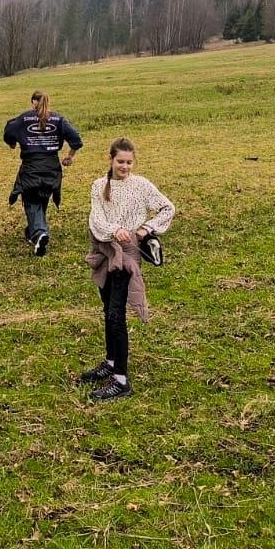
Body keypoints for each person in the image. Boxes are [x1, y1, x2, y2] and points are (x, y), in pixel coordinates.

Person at [80, 138, 175, 402]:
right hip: (105, 251)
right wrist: (114, 230)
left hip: (127, 255)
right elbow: (96, 218)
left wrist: (146, 228)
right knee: (107, 308)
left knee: (116, 314)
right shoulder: (99, 186)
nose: (125, 167)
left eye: (129, 162)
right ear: (111, 160)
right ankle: (111, 362)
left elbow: (168, 208)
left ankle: (121, 380)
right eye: (120, 161)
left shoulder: (141, 185)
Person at [3, 90, 83, 256]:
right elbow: (76, 139)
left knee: (31, 201)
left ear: (33, 102)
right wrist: (70, 156)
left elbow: (9, 130)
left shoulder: (24, 118)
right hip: (52, 167)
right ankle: (32, 232)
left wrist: (12, 143)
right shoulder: (58, 119)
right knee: (41, 198)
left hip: (31, 167)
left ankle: (40, 233)